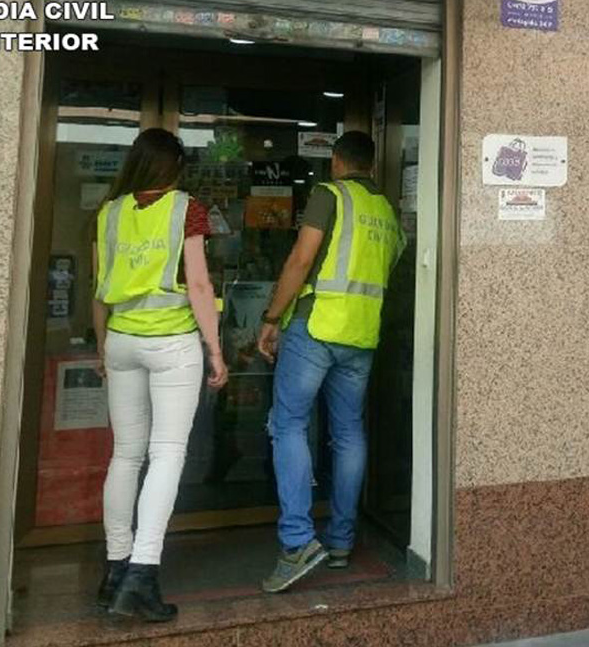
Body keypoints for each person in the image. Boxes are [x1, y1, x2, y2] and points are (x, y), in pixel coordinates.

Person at [257, 131, 405, 594]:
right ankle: (341, 541)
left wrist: (271, 317)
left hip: (317, 327)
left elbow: (301, 260)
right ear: (372, 164)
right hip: (361, 334)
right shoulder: (387, 210)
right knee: (348, 433)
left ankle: (297, 542)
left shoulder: (330, 194)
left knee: (289, 425)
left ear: (338, 161)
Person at [92, 128, 228, 621]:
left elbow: (99, 288)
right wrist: (215, 350)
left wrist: (103, 347)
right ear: (176, 167)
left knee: (126, 455)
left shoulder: (109, 213)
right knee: (167, 454)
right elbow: (199, 284)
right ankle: (142, 575)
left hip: (122, 340)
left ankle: (114, 570)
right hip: (171, 343)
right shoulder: (185, 209)